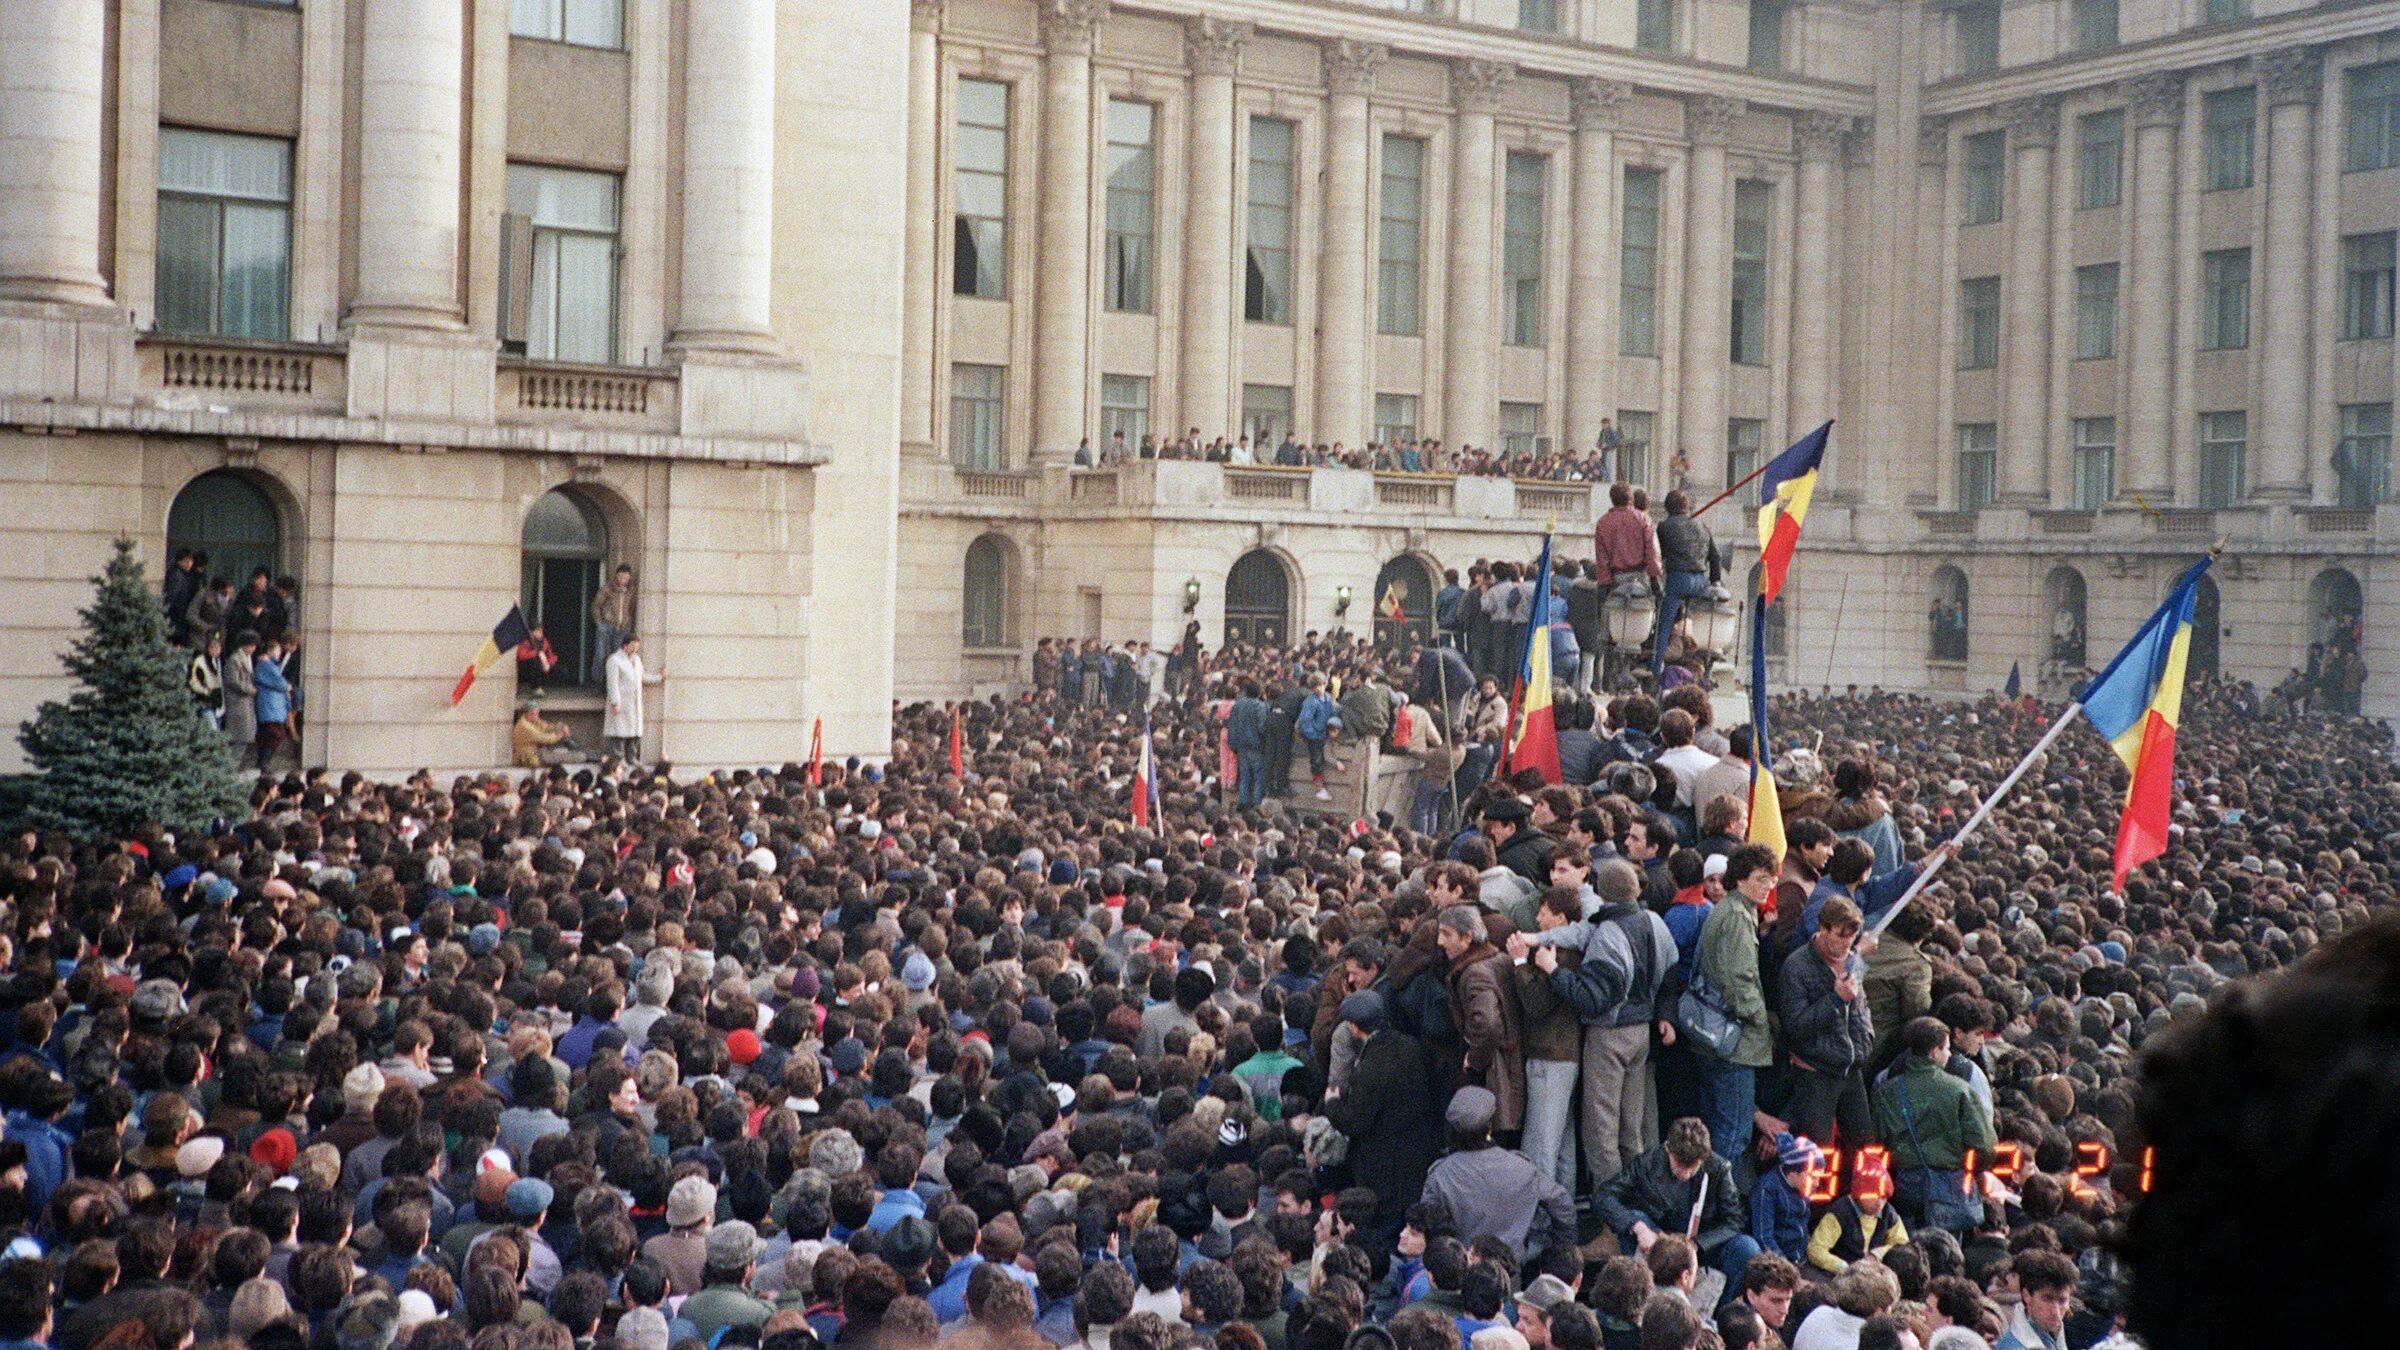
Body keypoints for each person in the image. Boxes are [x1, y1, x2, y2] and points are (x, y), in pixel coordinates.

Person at [1593, 1118, 1758, 1295]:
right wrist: (1638, 1228)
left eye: (1692, 1167)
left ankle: (1716, 1311)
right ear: (1668, 1151)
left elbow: (1735, 1220)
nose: (1685, 1173)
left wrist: (1697, 1245)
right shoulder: (1648, 1162)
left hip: (1702, 1246)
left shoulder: (1718, 1168)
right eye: (1680, 1165)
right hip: (1658, 1242)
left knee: (1746, 1247)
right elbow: (1603, 1196)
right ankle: (1641, 1297)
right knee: (1635, 1218)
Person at [1417, 1087, 1573, 1259]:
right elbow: (1562, 1202)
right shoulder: (1521, 1167)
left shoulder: (1440, 1175)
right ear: (1489, 1128)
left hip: (1460, 1272)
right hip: (1510, 1271)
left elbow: (1427, 1224)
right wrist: (1560, 1251)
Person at [1871, 1018, 1995, 1235]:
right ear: (1934, 1051)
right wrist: (1971, 1172)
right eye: (1946, 1048)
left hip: (1905, 1187)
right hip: (1952, 1187)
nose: (1949, 1054)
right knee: (1947, 1253)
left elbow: (1877, 1143)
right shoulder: (1960, 1090)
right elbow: (1983, 1143)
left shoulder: (1887, 1092)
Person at [1695, 845, 1777, 1166]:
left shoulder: (1732, 910)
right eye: (1760, 879)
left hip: (1718, 1036)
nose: (1768, 886)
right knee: (1732, 1135)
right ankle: (1718, 1207)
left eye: (1770, 879)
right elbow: (1738, 982)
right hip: (1736, 1041)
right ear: (1740, 880)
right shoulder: (1737, 918)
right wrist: (1761, 1019)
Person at [1776, 896, 1876, 1152]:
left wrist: (1866, 1038)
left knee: (1864, 1148)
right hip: (1816, 1072)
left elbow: (1861, 1008)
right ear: (1823, 928)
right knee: (1816, 1152)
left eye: (1852, 937)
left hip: (1851, 1068)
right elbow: (1796, 1026)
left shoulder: (1853, 961)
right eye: (1840, 935)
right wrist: (1835, 1000)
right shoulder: (1796, 967)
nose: (1846, 944)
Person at [1650, 492, 1719, 685]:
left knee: (1664, 625)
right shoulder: (1702, 525)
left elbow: (1657, 556)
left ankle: (1655, 667)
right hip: (1701, 581)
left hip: (1678, 579)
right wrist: (1716, 582)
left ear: (1667, 508)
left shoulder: (1664, 527)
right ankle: (1703, 664)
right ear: (1687, 507)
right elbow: (1715, 556)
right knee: (1703, 624)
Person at [1993, 1251, 2075, 1350]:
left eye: (2062, 1301)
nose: (2055, 1311)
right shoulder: (2013, 1347)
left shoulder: (2051, 1334)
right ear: (2026, 1296)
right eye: (2047, 1299)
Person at [604, 633, 663, 762]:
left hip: (634, 703)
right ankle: (618, 759)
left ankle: (632, 757)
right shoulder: (614, 660)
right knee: (619, 733)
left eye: (637, 647)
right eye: (633, 647)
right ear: (625, 645)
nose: (635, 650)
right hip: (621, 703)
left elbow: (642, 677)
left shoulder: (636, 660)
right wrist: (615, 702)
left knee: (634, 733)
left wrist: (659, 677)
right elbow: (612, 683)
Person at [252, 635, 294, 772]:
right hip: (270, 705)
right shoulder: (265, 664)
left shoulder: (269, 664)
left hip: (273, 706)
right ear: (270, 651)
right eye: (277, 652)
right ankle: (264, 762)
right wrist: (287, 686)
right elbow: (279, 682)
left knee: (269, 735)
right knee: (275, 734)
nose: (279, 654)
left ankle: (263, 761)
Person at [591, 564, 637, 684]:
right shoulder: (607, 589)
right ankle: (598, 682)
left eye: (626, 578)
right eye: (621, 578)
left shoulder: (631, 591)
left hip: (622, 629)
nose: (623, 581)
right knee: (601, 654)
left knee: (618, 657)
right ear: (617, 576)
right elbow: (596, 606)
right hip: (607, 625)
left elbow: (631, 608)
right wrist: (600, 622)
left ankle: (613, 684)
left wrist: (628, 623)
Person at [513, 703, 579, 768]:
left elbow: (547, 727)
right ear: (525, 714)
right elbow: (545, 739)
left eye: (537, 714)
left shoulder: (532, 720)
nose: (536, 716)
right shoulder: (524, 726)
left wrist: (562, 726)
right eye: (533, 714)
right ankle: (581, 756)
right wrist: (561, 734)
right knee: (564, 757)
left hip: (539, 751)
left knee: (561, 751)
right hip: (531, 757)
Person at [187, 631, 224, 728]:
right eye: (213, 647)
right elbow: (194, 681)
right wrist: (206, 691)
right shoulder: (200, 661)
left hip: (218, 702)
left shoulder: (220, 662)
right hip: (205, 701)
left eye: (218, 647)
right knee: (212, 729)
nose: (215, 650)